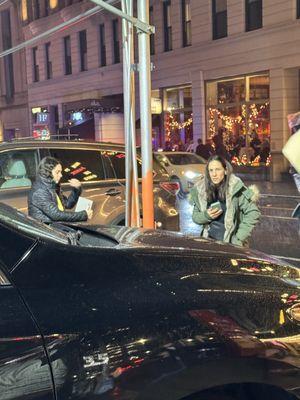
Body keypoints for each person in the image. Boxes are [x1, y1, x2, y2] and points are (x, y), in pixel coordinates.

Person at [190, 155, 260, 246]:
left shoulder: (235, 188)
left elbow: (253, 212)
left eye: (218, 169)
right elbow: (195, 217)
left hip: (229, 244)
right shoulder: (202, 190)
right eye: (211, 170)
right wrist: (206, 215)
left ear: (226, 170)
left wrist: (238, 238)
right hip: (209, 242)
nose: (214, 174)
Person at [28, 156, 93, 223]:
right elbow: (56, 215)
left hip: (55, 227)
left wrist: (76, 189)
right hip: (46, 230)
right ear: (47, 172)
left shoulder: (52, 187)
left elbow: (67, 204)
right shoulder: (39, 191)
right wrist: (83, 215)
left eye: (60, 172)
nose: (61, 175)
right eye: (57, 172)